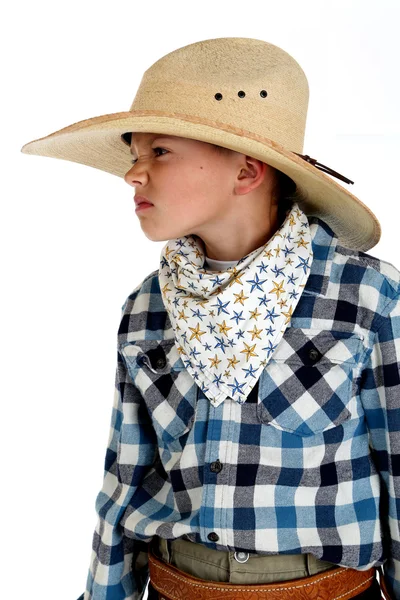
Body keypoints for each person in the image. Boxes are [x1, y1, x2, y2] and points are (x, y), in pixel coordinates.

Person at [20, 37, 398, 600]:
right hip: (176, 585)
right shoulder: (148, 307)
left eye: (159, 153)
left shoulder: (365, 296)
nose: (133, 175)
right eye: (133, 155)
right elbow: (126, 476)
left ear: (246, 172)